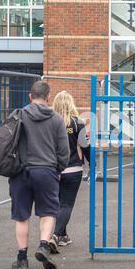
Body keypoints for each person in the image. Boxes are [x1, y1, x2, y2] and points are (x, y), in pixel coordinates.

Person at [9, 81, 69, 269]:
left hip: (21, 171)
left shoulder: (18, 116)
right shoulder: (57, 120)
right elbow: (64, 152)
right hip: (47, 171)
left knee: (21, 217)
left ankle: (22, 259)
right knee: (49, 212)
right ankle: (43, 245)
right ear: (48, 97)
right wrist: (57, 170)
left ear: (30, 96)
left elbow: (9, 143)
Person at [48, 91, 90, 252]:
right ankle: (56, 236)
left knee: (58, 204)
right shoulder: (77, 123)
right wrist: (92, 163)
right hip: (73, 169)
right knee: (66, 204)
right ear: (71, 103)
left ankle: (63, 236)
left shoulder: (50, 123)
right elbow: (85, 147)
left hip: (53, 170)